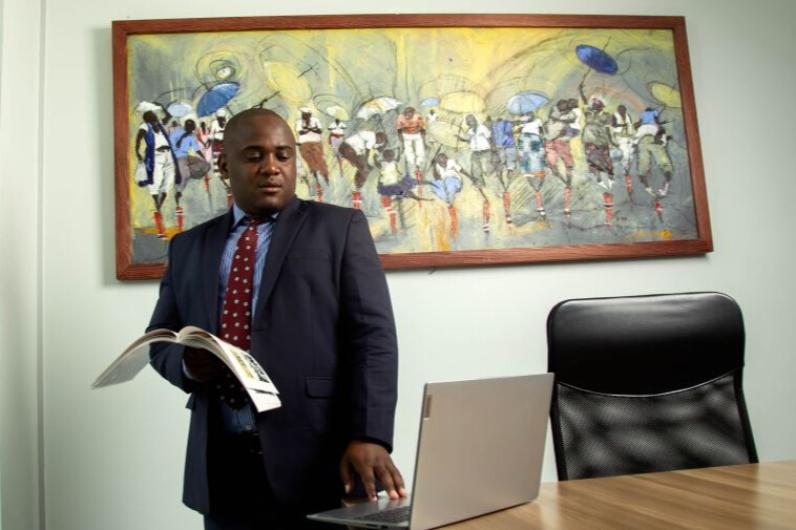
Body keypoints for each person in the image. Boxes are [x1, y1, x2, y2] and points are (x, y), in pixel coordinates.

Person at [148, 108, 406, 530]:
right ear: (223, 165)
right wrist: (187, 365)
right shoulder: (189, 247)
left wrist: (370, 434)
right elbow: (161, 339)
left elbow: (373, 338)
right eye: (254, 156)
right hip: (222, 466)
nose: (271, 167)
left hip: (321, 460)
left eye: (283, 155)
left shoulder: (338, 228)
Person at [135, 105, 182, 239]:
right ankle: (158, 216)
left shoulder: (160, 124)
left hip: (168, 156)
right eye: (153, 115)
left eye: (155, 115)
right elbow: (139, 138)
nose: (156, 116)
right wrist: (137, 151)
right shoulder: (145, 126)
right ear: (148, 118)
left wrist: (161, 106)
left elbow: (168, 116)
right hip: (156, 157)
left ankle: (158, 208)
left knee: (168, 183)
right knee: (155, 184)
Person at [338, 129, 387, 209]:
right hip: (348, 148)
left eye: (380, 142)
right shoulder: (372, 137)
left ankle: (356, 190)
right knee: (364, 169)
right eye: (379, 140)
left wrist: (366, 164)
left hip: (347, 148)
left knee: (364, 170)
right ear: (378, 136)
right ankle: (357, 191)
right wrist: (366, 164)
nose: (378, 142)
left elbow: (374, 149)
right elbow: (368, 150)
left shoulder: (370, 137)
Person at [296, 107, 330, 202]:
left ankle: (326, 180)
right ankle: (316, 183)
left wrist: (309, 129)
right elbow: (300, 132)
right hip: (304, 144)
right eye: (303, 115)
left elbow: (320, 131)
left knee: (320, 162)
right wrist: (311, 129)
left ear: (309, 115)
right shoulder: (299, 122)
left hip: (316, 143)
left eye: (306, 115)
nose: (304, 116)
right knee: (310, 163)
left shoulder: (315, 120)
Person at [395, 106, 426, 178]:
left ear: (413, 113)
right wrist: (402, 142)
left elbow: (422, 129)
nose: (407, 116)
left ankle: (419, 165)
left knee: (420, 151)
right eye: (405, 114)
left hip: (417, 135)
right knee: (408, 154)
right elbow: (399, 131)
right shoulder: (400, 117)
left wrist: (423, 141)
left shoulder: (418, 116)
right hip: (406, 135)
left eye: (409, 114)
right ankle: (412, 168)